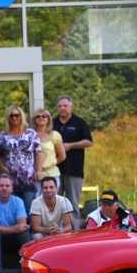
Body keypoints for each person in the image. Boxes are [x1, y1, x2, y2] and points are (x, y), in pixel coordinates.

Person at [53, 95, 93, 227]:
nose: (62, 108)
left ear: (71, 107)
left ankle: (75, 231)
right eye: (60, 106)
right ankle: (55, 230)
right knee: (54, 202)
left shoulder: (79, 123)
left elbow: (88, 142)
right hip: (55, 170)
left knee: (72, 203)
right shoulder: (52, 123)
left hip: (74, 169)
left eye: (65, 106)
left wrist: (70, 145)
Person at [0, 105, 42, 215]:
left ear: (21, 116)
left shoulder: (31, 133)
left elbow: (38, 152)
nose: (14, 118)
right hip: (10, 179)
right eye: (11, 116)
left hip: (28, 178)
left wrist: (38, 170)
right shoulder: (2, 136)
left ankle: (31, 226)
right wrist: (2, 167)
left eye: (17, 115)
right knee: (13, 209)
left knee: (29, 208)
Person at [32, 108, 65, 192]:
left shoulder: (55, 135)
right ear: (34, 119)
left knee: (52, 198)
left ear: (48, 119)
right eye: (38, 116)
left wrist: (50, 163)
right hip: (34, 175)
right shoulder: (30, 135)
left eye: (44, 116)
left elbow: (62, 156)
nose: (41, 118)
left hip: (52, 174)